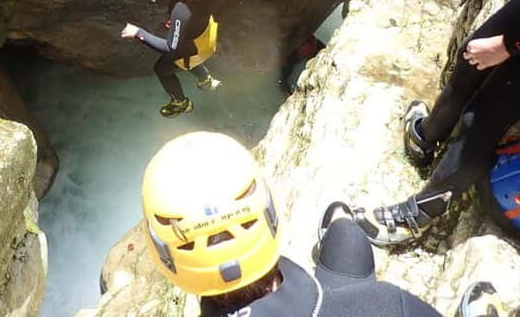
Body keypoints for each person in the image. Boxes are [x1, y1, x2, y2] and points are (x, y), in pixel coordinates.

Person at [140, 131, 500, 316]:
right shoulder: (384, 305)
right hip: (340, 308)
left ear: (166, 259)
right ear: (270, 215)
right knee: (345, 228)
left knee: (345, 234)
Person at [355, 0, 520, 245]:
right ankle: (426, 136)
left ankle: (421, 213)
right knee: (469, 57)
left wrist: (507, 46)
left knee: (482, 118)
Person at [121, 0, 221, 117]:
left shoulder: (181, 10)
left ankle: (181, 103)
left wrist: (138, 33)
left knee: (163, 69)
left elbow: (170, 47)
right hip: (207, 32)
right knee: (190, 58)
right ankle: (206, 80)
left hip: (194, 48)